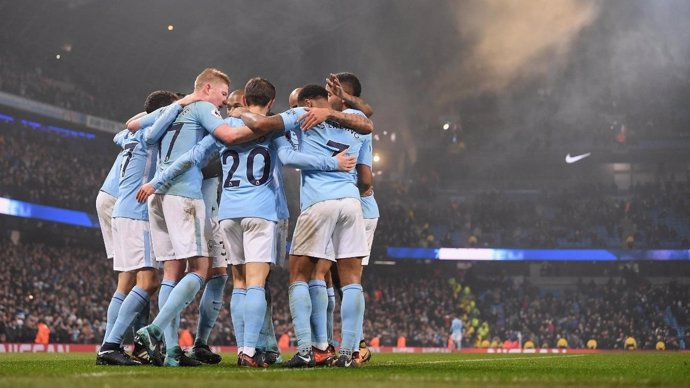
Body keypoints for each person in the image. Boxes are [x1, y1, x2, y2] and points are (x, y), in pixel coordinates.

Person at [140, 78, 356, 368]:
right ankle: (250, 352)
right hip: (261, 212)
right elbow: (289, 157)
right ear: (270, 102)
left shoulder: (224, 131)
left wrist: (157, 181)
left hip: (228, 213)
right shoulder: (274, 128)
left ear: (243, 102)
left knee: (239, 284)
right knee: (256, 283)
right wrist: (334, 163)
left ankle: (245, 347)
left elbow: (192, 157)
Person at [132, 68, 273, 367]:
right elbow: (229, 135)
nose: (224, 104)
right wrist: (267, 126)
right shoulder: (205, 109)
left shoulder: (175, 110)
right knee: (202, 268)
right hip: (188, 196)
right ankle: (156, 330)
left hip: (159, 193)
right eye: (224, 95)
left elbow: (135, 126)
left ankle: (171, 352)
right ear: (208, 89)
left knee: (172, 272)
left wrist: (179, 103)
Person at [240, 84, 373, 368]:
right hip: (350, 203)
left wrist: (239, 111)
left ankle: (305, 350)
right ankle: (349, 355)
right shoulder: (352, 119)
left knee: (298, 274)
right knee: (351, 282)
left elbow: (281, 148)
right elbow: (367, 124)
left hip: (319, 202)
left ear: (309, 102)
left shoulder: (303, 114)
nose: (295, 109)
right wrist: (331, 115)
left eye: (297, 104)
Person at [97, 90, 181, 366]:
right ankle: (111, 345)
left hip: (121, 212)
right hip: (136, 214)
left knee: (126, 282)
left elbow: (123, 129)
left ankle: (111, 345)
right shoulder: (151, 137)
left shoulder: (130, 137)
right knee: (149, 282)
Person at [326, 72, 378, 365]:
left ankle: (356, 345)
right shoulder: (341, 124)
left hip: (360, 208)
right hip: (351, 208)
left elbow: (366, 179)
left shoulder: (357, 123)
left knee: (349, 280)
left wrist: (348, 190)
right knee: (338, 279)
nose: (326, 96)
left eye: (331, 92)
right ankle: (347, 342)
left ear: (344, 95)